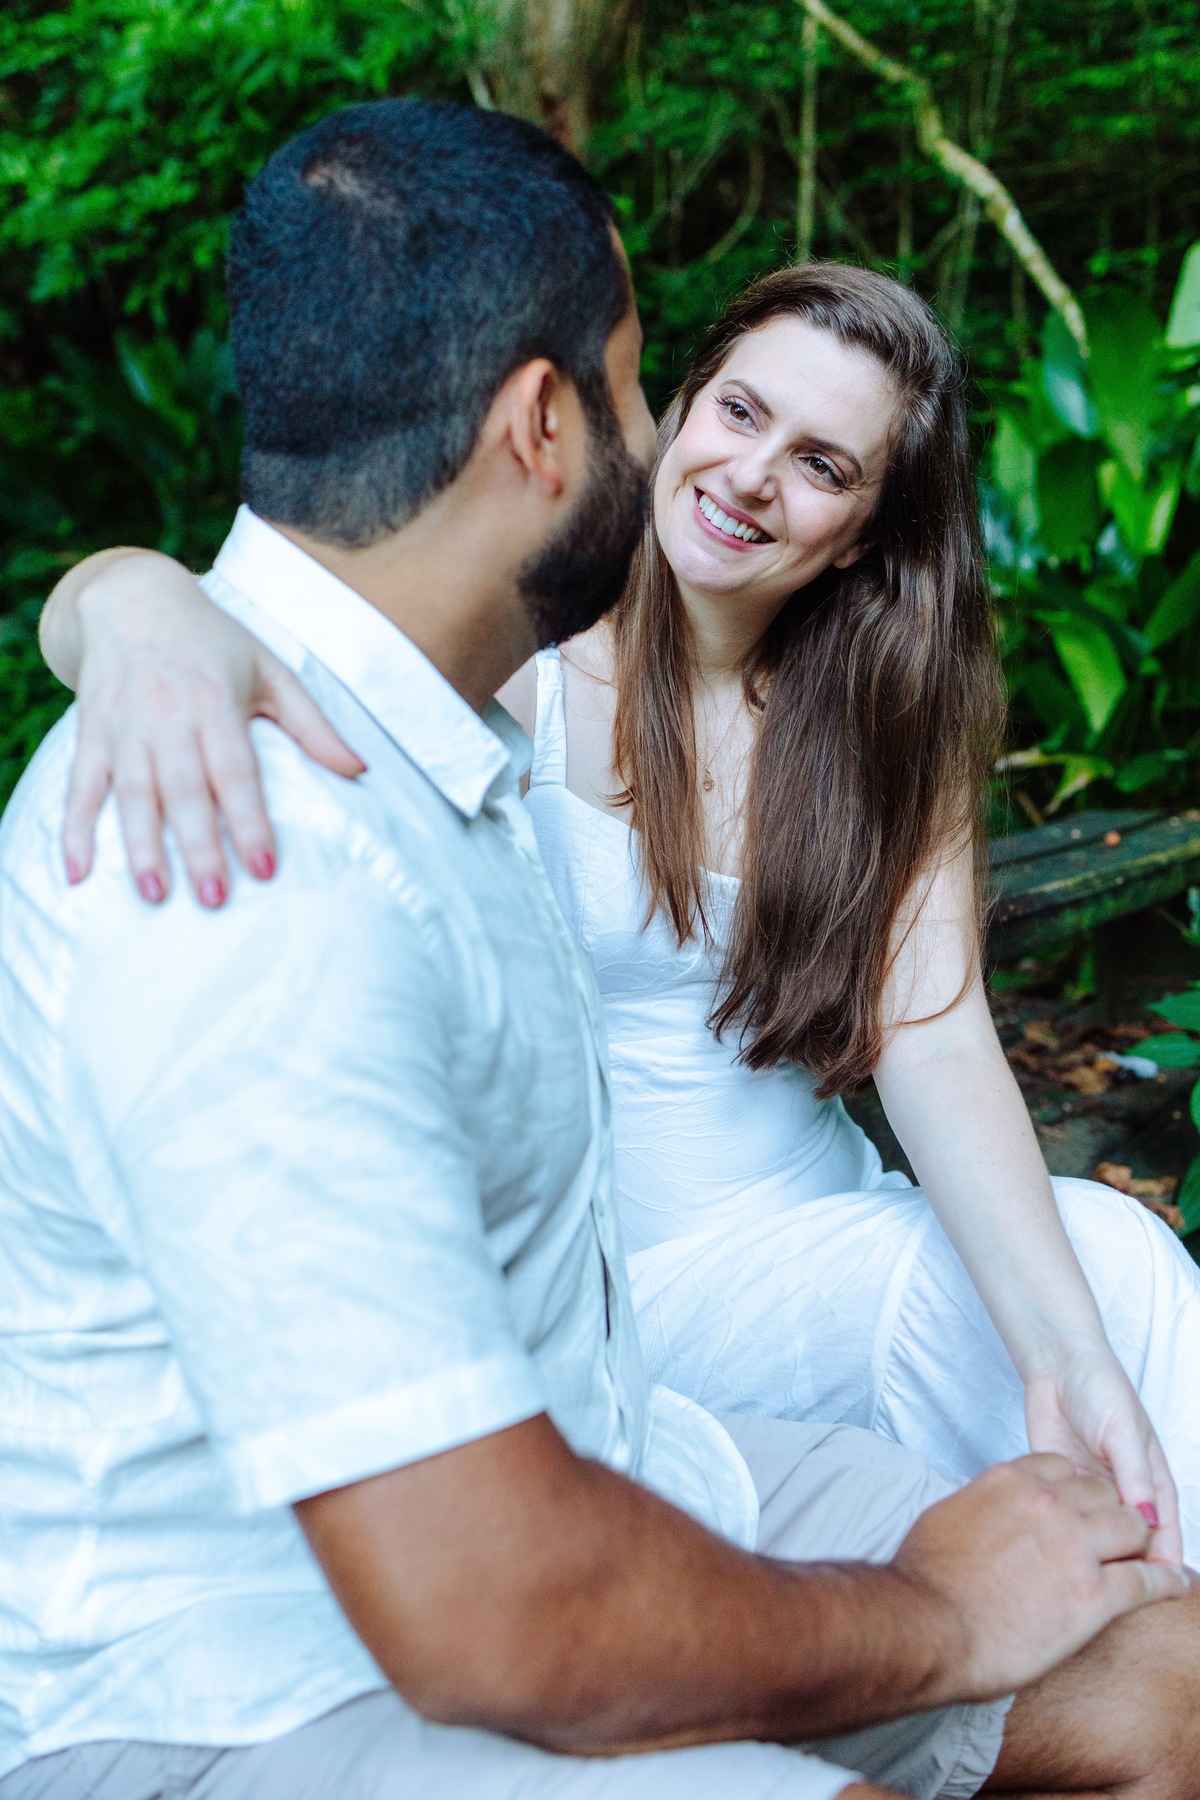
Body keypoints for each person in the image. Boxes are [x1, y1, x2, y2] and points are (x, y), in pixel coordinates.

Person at [1, 93, 1198, 1800]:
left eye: (822, 462)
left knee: (1161, 1643)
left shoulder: (438, 744)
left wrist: (1060, 1376)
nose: (698, 464)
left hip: (628, 1419)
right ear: (541, 425)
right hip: (256, 1654)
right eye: (672, 394)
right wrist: (127, 599)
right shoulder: (269, 838)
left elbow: (929, 1032)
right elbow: (491, 1603)